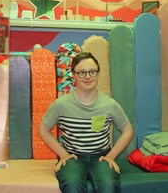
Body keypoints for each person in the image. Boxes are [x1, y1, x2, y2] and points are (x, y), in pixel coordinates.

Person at [39, 52, 134, 193]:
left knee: (108, 185)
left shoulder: (110, 104)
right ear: (73, 75)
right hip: (72, 157)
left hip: (101, 158)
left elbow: (128, 130)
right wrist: (63, 155)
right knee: (72, 185)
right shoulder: (61, 104)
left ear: (98, 73)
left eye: (92, 72)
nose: (88, 77)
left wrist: (111, 157)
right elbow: (43, 129)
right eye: (82, 73)